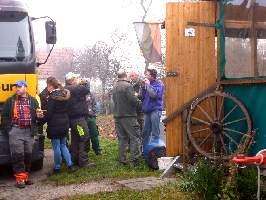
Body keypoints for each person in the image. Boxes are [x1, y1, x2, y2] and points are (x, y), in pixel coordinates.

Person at [1, 80, 43, 188]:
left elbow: (38, 119)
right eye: (16, 87)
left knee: (28, 155)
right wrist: (9, 131)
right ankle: (20, 180)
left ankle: (25, 177)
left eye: (20, 87)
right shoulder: (10, 101)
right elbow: (4, 117)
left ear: (26, 87)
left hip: (29, 131)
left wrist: (39, 116)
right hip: (16, 131)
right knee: (17, 155)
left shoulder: (33, 101)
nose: (17, 89)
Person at [45, 77, 76, 173]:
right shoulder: (65, 95)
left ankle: (57, 167)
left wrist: (42, 118)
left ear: (50, 86)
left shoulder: (52, 98)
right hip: (64, 123)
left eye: (47, 86)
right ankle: (70, 164)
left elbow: (49, 113)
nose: (47, 88)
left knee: (56, 146)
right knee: (63, 145)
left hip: (54, 124)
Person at [65, 72, 95, 168]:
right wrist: (84, 82)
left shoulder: (68, 89)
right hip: (79, 121)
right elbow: (86, 90)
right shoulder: (73, 88)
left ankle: (74, 160)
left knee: (75, 139)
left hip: (74, 120)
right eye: (76, 78)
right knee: (84, 137)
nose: (78, 79)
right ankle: (83, 161)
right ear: (72, 80)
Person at [112, 71, 141, 166]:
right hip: (129, 116)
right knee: (135, 137)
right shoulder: (128, 86)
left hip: (117, 116)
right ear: (125, 76)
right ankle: (134, 160)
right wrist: (141, 104)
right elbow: (133, 100)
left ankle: (122, 160)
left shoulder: (115, 87)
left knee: (122, 139)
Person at [142, 69, 164, 147]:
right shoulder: (146, 85)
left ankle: (156, 150)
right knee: (145, 132)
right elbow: (143, 97)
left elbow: (154, 95)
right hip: (147, 111)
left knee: (155, 132)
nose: (146, 76)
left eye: (147, 75)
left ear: (152, 76)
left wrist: (148, 85)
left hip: (155, 110)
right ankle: (145, 151)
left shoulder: (159, 84)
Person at [86, 91, 102, 155]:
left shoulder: (91, 94)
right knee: (84, 135)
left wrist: (92, 112)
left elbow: (95, 104)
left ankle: (97, 149)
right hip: (82, 118)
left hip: (91, 117)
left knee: (94, 134)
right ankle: (85, 150)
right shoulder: (78, 94)